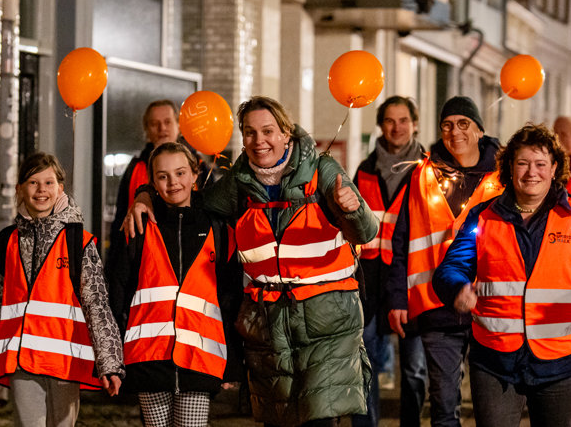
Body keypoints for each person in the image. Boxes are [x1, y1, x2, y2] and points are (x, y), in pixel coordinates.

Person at [125, 96, 379, 426]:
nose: (259, 141)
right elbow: (190, 201)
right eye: (250, 132)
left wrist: (353, 209)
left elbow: (366, 232)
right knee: (280, 421)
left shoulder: (322, 168)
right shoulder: (240, 180)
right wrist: (145, 193)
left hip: (326, 322)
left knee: (319, 419)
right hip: (269, 328)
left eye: (268, 131)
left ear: (287, 133)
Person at [433, 124, 571, 427]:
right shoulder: (482, 217)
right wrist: (457, 288)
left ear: (554, 169)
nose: (531, 172)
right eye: (522, 163)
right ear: (510, 168)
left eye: (540, 164)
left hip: (563, 364)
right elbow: (451, 268)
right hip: (495, 362)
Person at [0, 152, 125, 427]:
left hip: (65, 362)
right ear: (20, 189)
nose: (41, 190)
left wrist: (110, 363)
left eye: (49, 183)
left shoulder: (79, 242)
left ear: (60, 188)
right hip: (22, 360)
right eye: (33, 183)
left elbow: (97, 306)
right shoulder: (5, 242)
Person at [387, 96, 504, 427]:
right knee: (443, 403)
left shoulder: (505, 177)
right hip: (434, 303)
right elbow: (401, 240)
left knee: (490, 406)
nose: (455, 131)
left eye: (464, 123)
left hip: (490, 303)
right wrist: (397, 297)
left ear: (480, 130)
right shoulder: (421, 175)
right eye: (447, 125)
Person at [108, 143, 244, 427]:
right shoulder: (138, 224)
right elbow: (117, 294)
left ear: (196, 173)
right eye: (162, 176)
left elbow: (229, 297)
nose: (173, 183)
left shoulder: (217, 226)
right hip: (148, 357)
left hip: (201, 358)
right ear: (152, 182)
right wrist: (113, 359)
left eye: (180, 173)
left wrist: (233, 363)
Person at [351, 96, 426, 427]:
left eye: (404, 120)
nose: (397, 128)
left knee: (415, 368)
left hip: (415, 277)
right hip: (369, 279)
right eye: (390, 121)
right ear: (381, 125)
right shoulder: (364, 171)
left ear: (415, 124)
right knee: (365, 363)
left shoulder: (430, 170)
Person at [107, 100, 211, 276]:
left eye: (167, 122)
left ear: (179, 125)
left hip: (194, 258)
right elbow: (120, 221)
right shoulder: (134, 168)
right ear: (146, 130)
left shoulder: (199, 166)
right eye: (154, 124)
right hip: (146, 259)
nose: (162, 128)